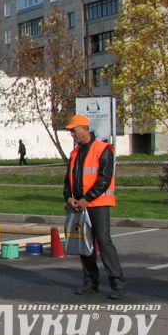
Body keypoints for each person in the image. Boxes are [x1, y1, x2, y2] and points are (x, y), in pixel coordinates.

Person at [63, 114, 126, 300]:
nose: (72, 134)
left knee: (104, 243)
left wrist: (86, 199)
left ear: (83, 128)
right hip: (79, 205)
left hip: (97, 204)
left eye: (73, 130)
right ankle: (91, 283)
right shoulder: (75, 153)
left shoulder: (103, 149)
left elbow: (104, 180)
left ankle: (118, 284)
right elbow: (68, 180)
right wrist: (69, 198)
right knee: (84, 245)